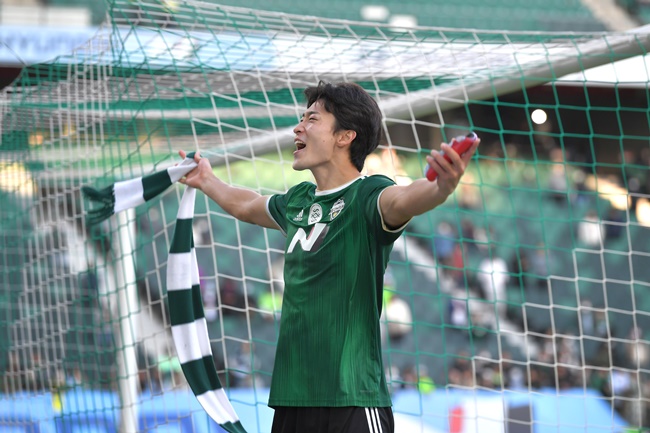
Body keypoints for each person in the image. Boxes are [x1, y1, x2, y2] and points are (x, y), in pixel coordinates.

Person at [178, 81, 479, 433]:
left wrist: (441, 186)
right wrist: (207, 179)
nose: (298, 127)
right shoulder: (298, 200)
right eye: (301, 118)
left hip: (352, 400)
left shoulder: (369, 195)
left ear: (345, 136)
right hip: (292, 400)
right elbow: (246, 205)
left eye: (312, 119)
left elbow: (407, 198)